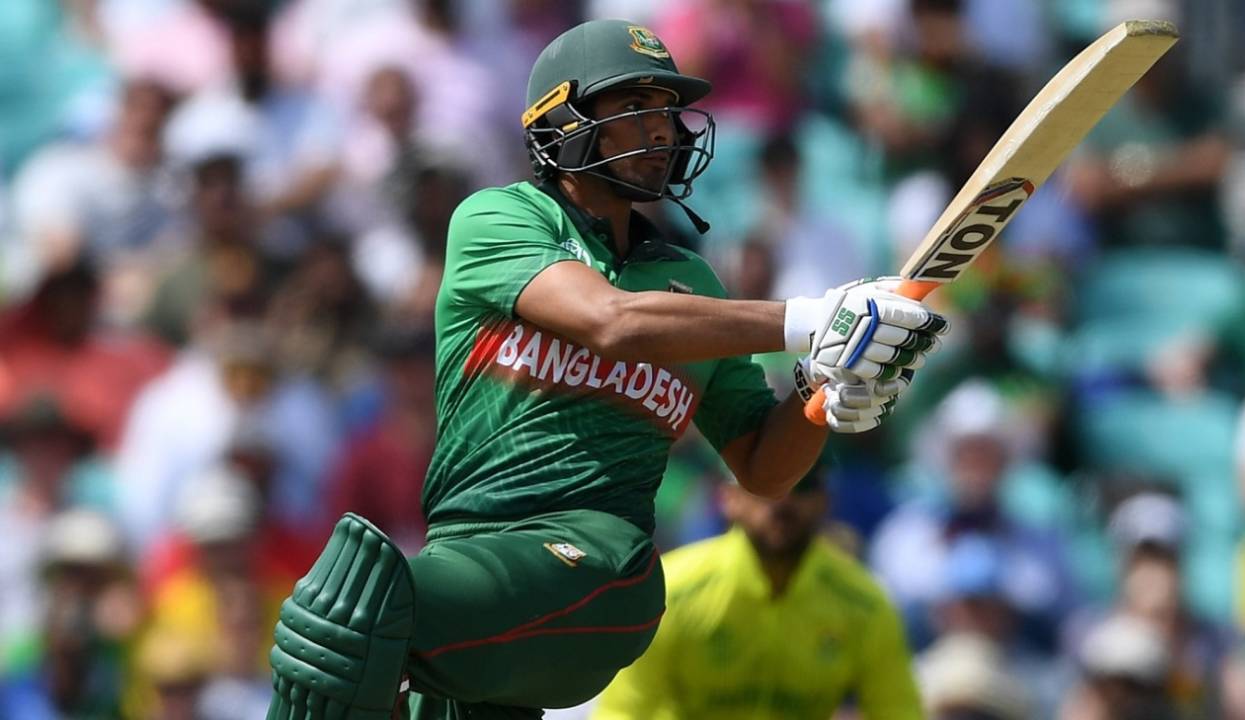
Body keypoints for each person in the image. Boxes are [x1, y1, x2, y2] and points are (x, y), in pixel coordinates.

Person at [266, 19, 948, 719]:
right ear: (561, 124)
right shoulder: (499, 219)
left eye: (666, 111)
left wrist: (818, 389)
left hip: (600, 567)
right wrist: (811, 319)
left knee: (355, 603)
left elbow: (764, 467)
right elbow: (612, 322)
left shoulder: (693, 286)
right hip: (477, 575)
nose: (663, 131)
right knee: (351, 622)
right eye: (634, 110)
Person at [591, 470, 923, 719]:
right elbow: (624, 712)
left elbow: (897, 710)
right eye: (765, 483)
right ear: (728, 498)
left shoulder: (865, 602)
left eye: (803, 484)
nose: (784, 499)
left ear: (825, 500)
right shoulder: (672, 591)